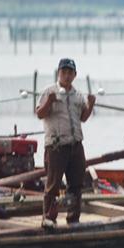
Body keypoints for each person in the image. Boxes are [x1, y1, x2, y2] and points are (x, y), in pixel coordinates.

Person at [35, 58, 95, 226]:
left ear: (75, 75)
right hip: (56, 146)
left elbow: (83, 118)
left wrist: (90, 105)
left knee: (76, 183)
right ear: (58, 73)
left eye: (70, 73)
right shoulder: (49, 91)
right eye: (64, 72)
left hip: (76, 145)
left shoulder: (78, 95)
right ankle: (48, 218)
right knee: (53, 184)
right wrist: (49, 101)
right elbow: (39, 114)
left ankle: (73, 219)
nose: (67, 76)